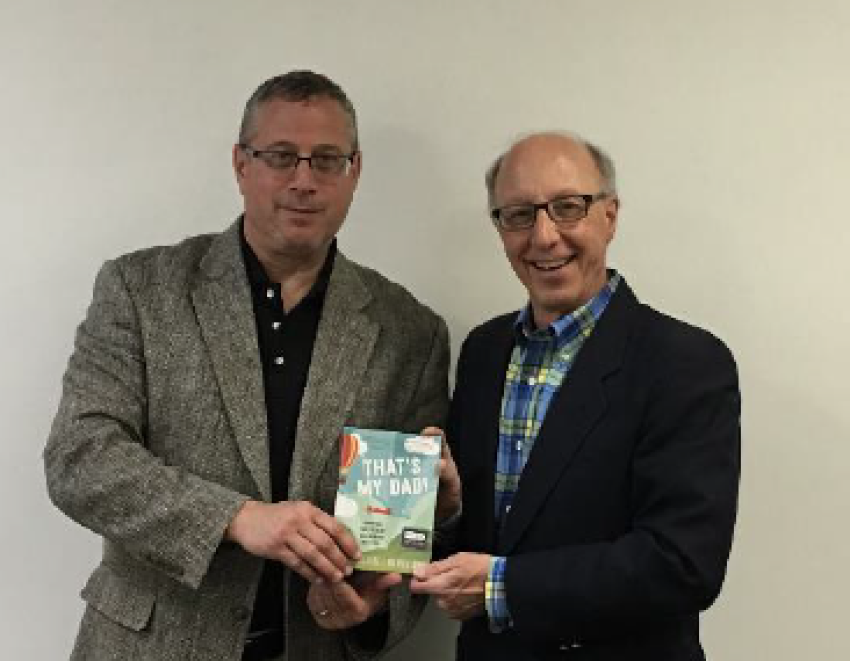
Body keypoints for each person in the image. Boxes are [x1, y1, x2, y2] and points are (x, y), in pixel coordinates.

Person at [44, 70, 451, 661]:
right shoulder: (140, 288)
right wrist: (236, 517)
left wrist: (372, 603)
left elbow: (406, 534)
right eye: (281, 157)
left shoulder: (411, 332)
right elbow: (80, 457)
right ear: (241, 164)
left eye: (327, 160)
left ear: (354, 171)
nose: (304, 180)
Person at [411, 132, 741, 660]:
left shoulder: (686, 363)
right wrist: (448, 512)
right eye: (518, 214)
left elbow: (683, 564)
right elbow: (488, 541)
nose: (543, 236)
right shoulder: (485, 351)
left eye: (568, 207)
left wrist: (503, 587)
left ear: (609, 215)